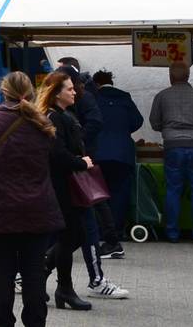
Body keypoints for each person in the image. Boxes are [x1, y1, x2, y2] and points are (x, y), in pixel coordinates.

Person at [0, 71, 62, 327]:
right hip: (37, 211)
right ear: (30, 92)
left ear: (2, 92)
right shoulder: (43, 125)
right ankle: (35, 322)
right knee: (34, 273)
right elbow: (55, 165)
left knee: (2, 273)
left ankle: (3, 322)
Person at [39, 70, 126, 307]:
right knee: (72, 235)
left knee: (74, 236)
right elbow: (57, 153)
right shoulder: (54, 117)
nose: (74, 91)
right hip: (64, 185)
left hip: (68, 185)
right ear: (57, 94)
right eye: (68, 88)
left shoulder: (63, 114)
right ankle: (60, 285)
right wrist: (82, 162)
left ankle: (52, 279)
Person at [148, 59, 193, 244]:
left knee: (172, 190)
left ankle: (171, 233)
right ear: (188, 76)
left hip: (172, 147)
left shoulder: (161, 96)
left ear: (170, 77)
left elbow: (154, 123)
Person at [91, 69, 142, 257]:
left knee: (97, 195)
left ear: (96, 83)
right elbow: (138, 121)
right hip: (122, 154)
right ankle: (116, 233)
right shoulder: (125, 98)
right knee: (119, 195)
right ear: (111, 81)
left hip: (98, 153)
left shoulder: (93, 98)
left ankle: (98, 232)